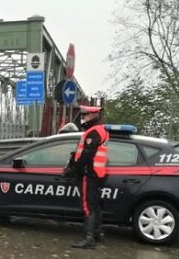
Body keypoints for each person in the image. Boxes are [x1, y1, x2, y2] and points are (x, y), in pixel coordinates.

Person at [69, 105, 109, 249]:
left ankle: (89, 238)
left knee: (87, 206)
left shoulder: (94, 132)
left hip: (88, 174)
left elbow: (87, 154)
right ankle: (98, 234)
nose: (83, 118)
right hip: (97, 173)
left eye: (84, 115)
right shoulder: (100, 130)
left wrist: (76, 168)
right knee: (95, 204)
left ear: (92, 116)